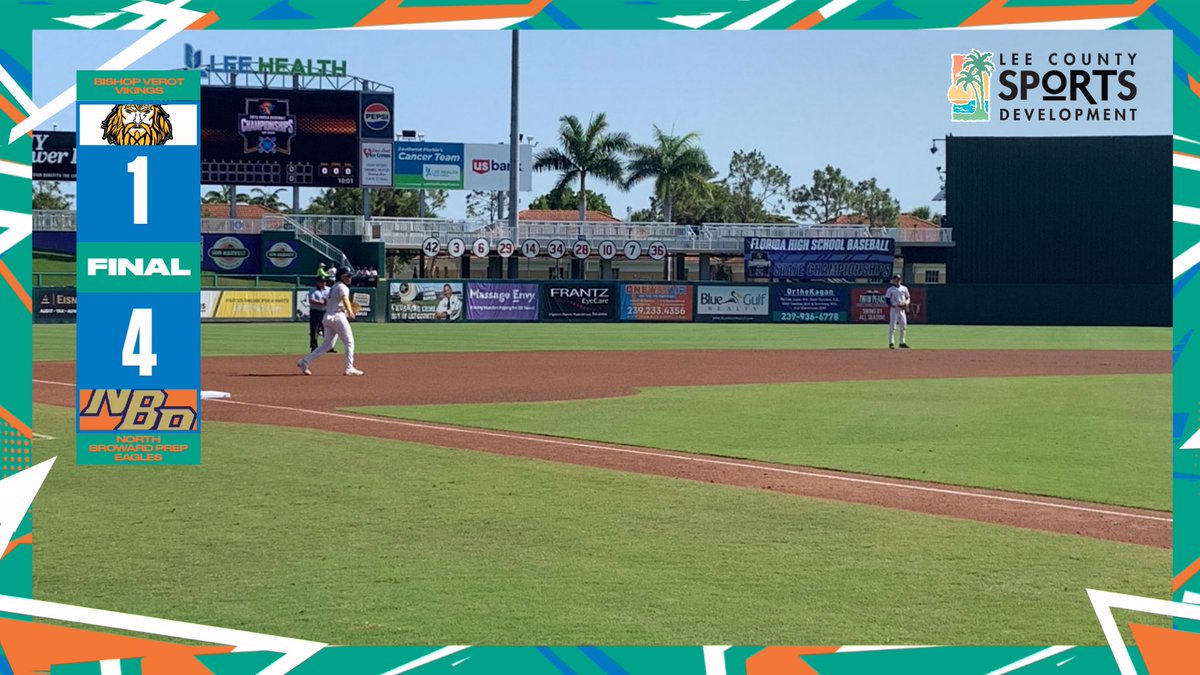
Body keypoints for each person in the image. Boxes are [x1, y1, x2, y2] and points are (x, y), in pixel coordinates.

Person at [298, 266, 363, 376]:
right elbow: (345, 299)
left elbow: (333, 303)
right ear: (340, 276)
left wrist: (344, 308)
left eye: (350, 275)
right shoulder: (343, 287)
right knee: (349, 342)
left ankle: (305, 361)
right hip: (337, 317)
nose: (349, 277)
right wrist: (350, 311)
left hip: (327, 317)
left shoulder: (334, 287)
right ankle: (349, 368)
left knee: (327, 345)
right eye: (347, 275)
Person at [306, 277, 336, 354]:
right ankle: (314, 347)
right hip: (315, 312)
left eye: (325, 282)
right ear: (317, 282)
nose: (324, 283)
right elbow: (311, 300)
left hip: (325, 312)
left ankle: (329, 347)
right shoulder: (313, 290)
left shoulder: (329, 289)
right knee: (314, 330)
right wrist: (322, 302)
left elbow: (332, 298)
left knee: (327, 330)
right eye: (322, 282)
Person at [885, 273, 911, 349]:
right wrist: (891, 305)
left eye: (899, 279)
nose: (898, 281)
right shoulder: (890, 289)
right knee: (892, 326)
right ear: (893, 280)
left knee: (903, 326)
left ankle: (902, 342)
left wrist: (906, 303)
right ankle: (891, 343)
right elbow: (887, 299)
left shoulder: (904, 288)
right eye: (896, 279)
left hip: (902, 309)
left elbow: (908, 297)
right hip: (894, 309)